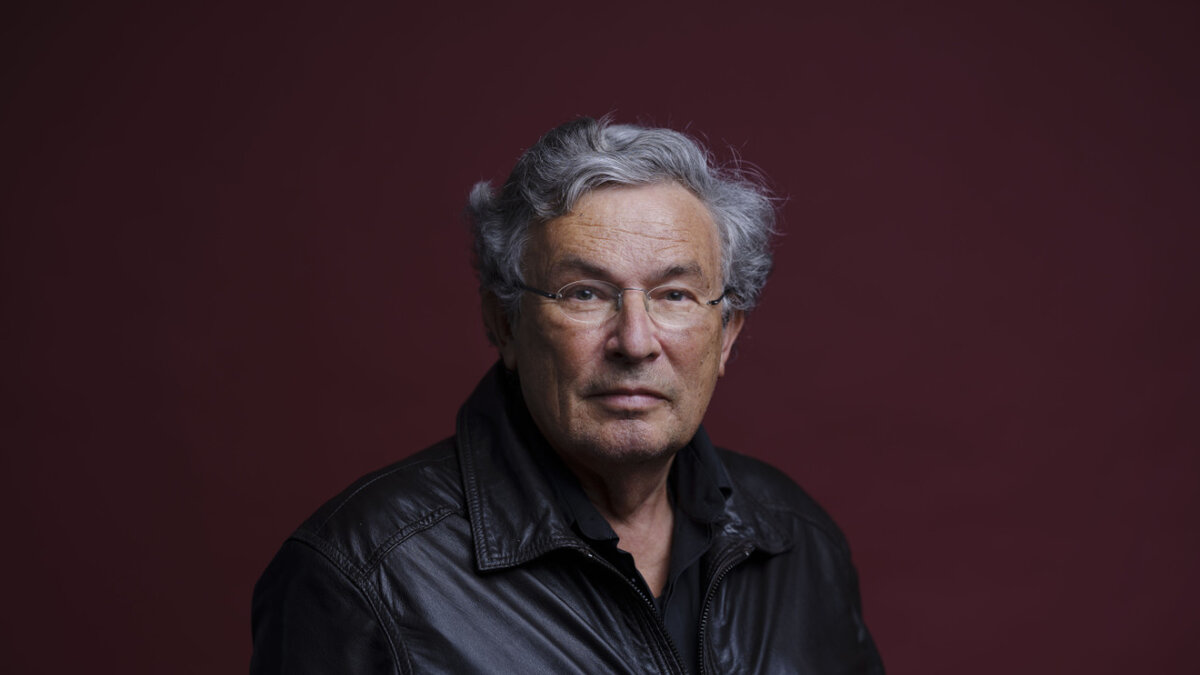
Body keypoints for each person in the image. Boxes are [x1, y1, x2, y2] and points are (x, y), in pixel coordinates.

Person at [250, 116, 884, 674]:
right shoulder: (364, 573)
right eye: (585, 293)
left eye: (675, 295)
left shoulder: (798, 541)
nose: (635, 342)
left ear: (727, 334)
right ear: (504, 324)